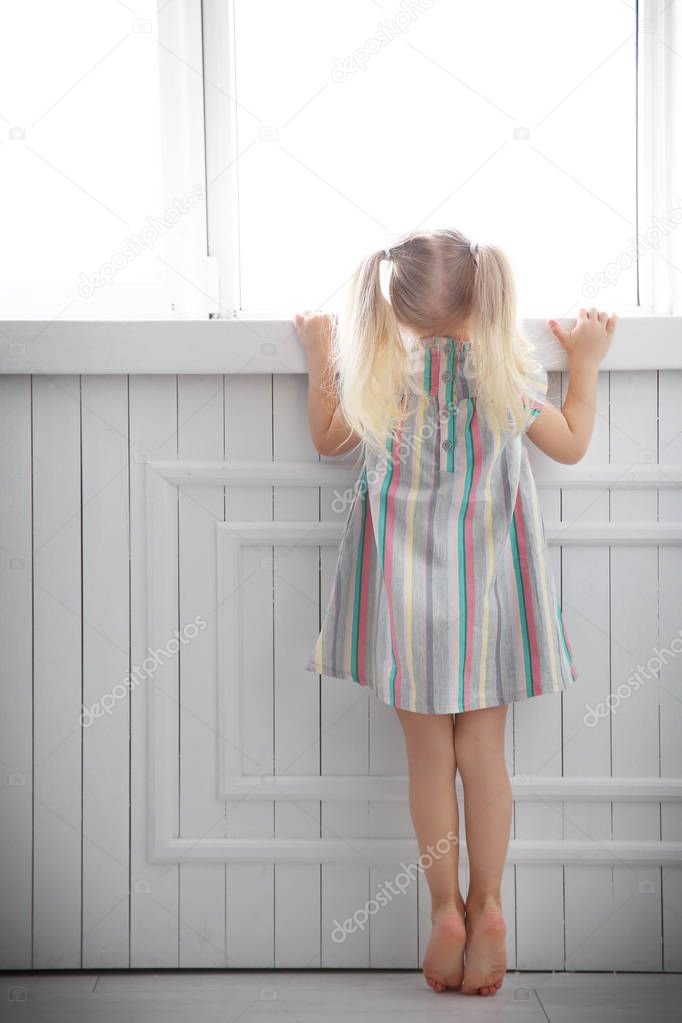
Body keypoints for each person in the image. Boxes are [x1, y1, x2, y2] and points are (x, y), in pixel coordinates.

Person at [294, 227, 617, 997]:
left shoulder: (381, 377)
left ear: (394, 307)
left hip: (407, 609)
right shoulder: (505, 375)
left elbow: (326, 435)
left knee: (428, 763)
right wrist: (587, 361)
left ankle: (443, 908)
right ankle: (490, 904)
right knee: (485, 757)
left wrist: (318, 356)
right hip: (488, 602)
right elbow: (570, 442)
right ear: (482, 295)